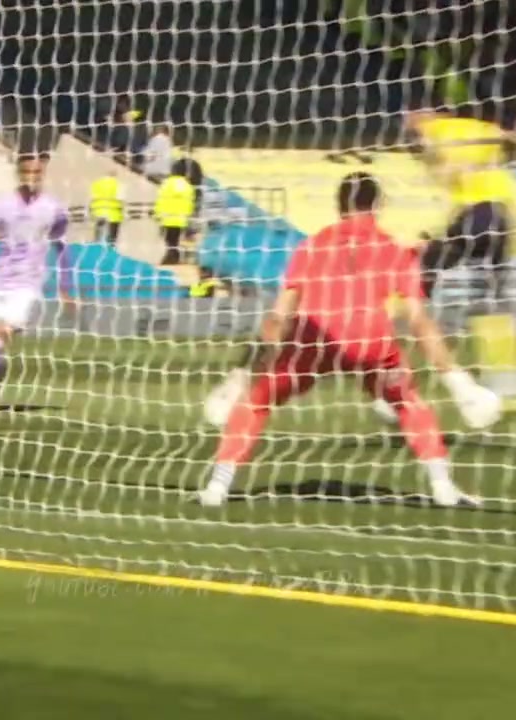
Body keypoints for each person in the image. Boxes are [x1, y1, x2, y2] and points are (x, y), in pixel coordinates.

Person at [196, 172, 500, 508]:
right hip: (370, 342)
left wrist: (248, 372)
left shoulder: (312, 245)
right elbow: (418, 320)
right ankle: (443, 487)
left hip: (314, 339)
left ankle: (217, 487)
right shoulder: (391, 248)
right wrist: (457, 379)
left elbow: (279, 316)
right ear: (378, 205)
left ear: (339, 206)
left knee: (256, 403)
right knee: (409, 403)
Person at [404, 110, 516, 408]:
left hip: (475, 216)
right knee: (494, 297)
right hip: (501, 219)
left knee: (419, 277)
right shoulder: (482, 128)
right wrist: (505, 145)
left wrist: (447, 159)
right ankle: (510, 386)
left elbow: (428, 150)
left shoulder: (435, 131)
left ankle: (401, 360)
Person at [0, 155, 73, 400]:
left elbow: (62, 247)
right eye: (27, 172)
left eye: (37, 172)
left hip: (27, 283)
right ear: (18, 174)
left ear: (43, 174)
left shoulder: (54, 208)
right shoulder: (0, 205)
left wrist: (66, 286)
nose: (32, 177)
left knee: (0, 333)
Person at [154, 170, 194, 265]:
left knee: (169, 240)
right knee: (175, 239)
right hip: (180, 219)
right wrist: (188, 215)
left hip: (167, 218)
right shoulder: (187, 185)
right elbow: (190, 202)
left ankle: (172, 257)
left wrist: (157, 214)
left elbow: (160, 200)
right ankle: (175, 257)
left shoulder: (166, 184)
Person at [89, 170, 124, 245]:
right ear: (114, 176)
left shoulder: (97, 184)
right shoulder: (117, 184)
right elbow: (121, 199)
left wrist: (91, 212)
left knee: (98, 235)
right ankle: (110, 248)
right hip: (114, 214)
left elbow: (92, 198)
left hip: (98, 212)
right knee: (112, 238)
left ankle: (97, 246)